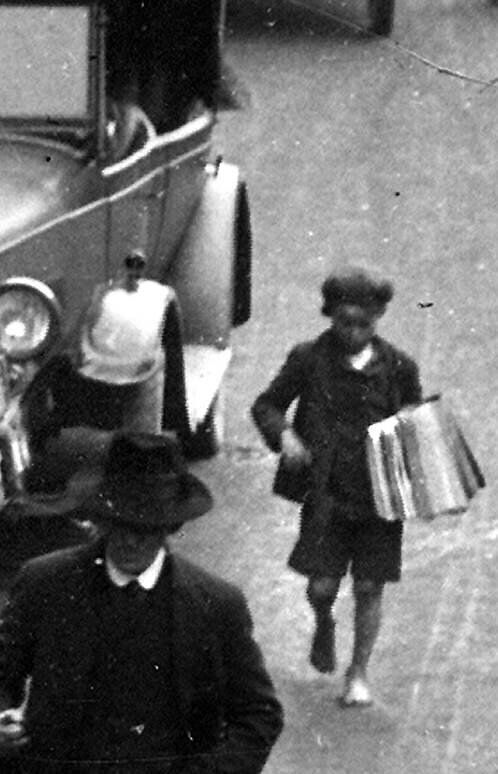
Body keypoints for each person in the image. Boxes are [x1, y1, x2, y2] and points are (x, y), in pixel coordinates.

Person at [0, 432, 283, 772]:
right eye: (120, 525)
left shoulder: (215, 604)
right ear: (101, 519)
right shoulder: (44, 583)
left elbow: (258, 715)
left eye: (146, 529)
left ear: (169, 527)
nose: (131, 541)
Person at [251, 266, 422, 706]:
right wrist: (285, 436)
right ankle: (324, 621)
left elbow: (417, 416)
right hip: (326, 494)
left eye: (364, 324)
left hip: (379, 496)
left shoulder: (400, 366)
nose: (354, 332)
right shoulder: (307, 359)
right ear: (330, 315)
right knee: (321, 586)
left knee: (369, 586)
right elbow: (267, 405)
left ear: (379, 317)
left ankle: (359, 672)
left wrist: (409, 426)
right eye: (345, 322)